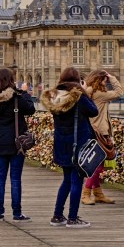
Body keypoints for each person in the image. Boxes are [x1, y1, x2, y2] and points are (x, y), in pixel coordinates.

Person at [40, 67, 99, 228]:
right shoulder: (78, 96)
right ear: (77, 80)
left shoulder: (54, 97)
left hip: (62, 144)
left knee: (66, 180)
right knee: (76, 181)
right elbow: (94, 111)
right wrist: (84, 91)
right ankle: (73, 218)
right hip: (78, 144)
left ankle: (57, 216)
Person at [0, 67, 36, 221]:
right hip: (16, 144)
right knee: (15, 179)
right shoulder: (16, 98)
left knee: (0, 177)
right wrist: (25, 92)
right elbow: (31, 109)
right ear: (11, 80)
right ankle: (17, 213)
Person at [82, 70, 123, 205]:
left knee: (98, 163)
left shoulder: (89, 91)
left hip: (92, 130)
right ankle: (86, 194)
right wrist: (112, 78)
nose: (106, 82)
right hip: (99, 131)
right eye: (105, 80)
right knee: (98, 166)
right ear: (99, 80)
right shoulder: (99, 94)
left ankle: (98, 194)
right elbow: (119, 93)